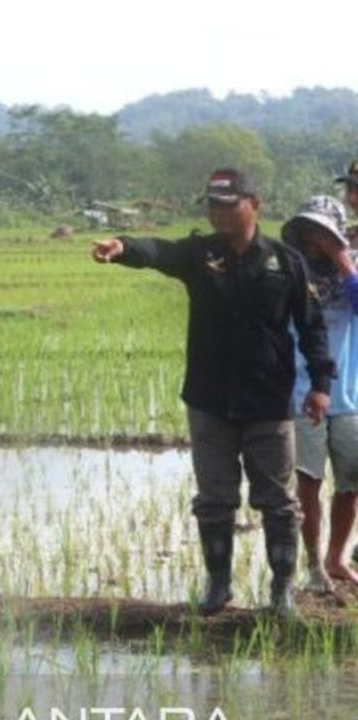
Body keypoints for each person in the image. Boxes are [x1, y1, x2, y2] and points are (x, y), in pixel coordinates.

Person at [91, 168, 334, 618]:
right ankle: (218, 585)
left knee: (279, 503)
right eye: (213, 205)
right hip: (209, 399)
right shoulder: (199, 254)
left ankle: (281, 593)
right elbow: (159, 251)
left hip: (268, 400)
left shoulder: (285, 261)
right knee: (215, 499)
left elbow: (311, 326)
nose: (219, 213)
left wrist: (321, 385)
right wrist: (124, 247)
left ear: (254, 204)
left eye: (228, 204)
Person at [282, 196, 358, 592]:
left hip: (350, 396)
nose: (316, 239)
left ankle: (337, 558)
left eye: (324, 232)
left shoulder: (353, 271)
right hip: (303, 392)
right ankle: (314, 567)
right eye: (309, 230)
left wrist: (342, 258)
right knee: (308, 481)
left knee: (351, 484)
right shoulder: (290, 273)